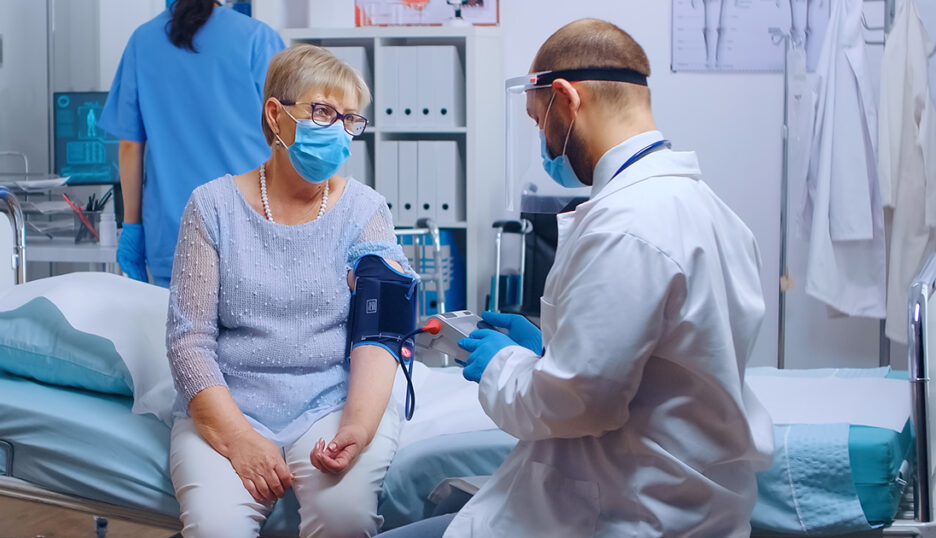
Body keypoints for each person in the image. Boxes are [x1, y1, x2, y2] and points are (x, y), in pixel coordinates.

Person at [380, 18, 774, 538]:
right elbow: (663, 362)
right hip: (683, 500)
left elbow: (575, 404)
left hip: (627, 514)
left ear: (566, 99)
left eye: (539, 120)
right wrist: (548, 350)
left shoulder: (627, 226)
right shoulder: (705, 208)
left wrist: (501, 364)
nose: (544, 142)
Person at [166, 44, 411, 538]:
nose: (337, 130)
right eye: (323, 111)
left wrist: (356, 429)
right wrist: (238, 438)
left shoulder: (365, 212)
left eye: (348, 119)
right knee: (216, 529)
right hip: (231, 405)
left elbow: (381, 334)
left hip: (330, 402)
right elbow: (188, 342)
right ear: (276, 115)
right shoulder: (211, 207)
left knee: (345, 518)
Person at [99, 0, 284, 287]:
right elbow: (286, 139)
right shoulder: (258, 39)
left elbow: (130, 147)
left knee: (178, 331)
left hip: (171, 236)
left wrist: (132, 228)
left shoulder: (143, 41)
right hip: (248, 229)